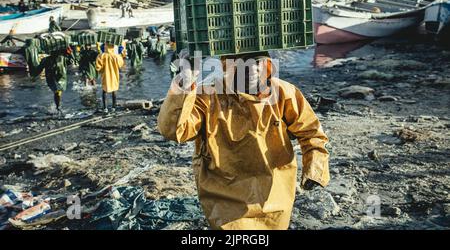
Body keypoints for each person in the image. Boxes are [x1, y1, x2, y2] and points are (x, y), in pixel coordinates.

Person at [158, 51, 330, 230]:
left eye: (257, 62)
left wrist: (315, 168)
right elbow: (173, 131)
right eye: (242, 64)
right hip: (224, 197)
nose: (252, 69)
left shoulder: (283, 93)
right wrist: (185, 80)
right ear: (228, 67)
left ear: (267, 65)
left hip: (275, 194)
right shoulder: (208, 96)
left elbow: (311, 132)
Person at [32, 48, 73, 112]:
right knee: (57, 91)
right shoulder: (46, 60)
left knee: (58, 92)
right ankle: (58, 107)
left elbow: (71, 62)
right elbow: (39, 69)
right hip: (52, 79)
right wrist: (34, 76)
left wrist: (70, 53)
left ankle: (57, 106)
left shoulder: (62, 58)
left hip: (61, 79)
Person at [96, 43, 126, 113]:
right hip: (114, 75)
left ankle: (105, 108)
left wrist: (102, 71)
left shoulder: (101, 56)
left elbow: (98, 67)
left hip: (105, 75)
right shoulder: (116, 56)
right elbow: (121, 64)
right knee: (114, 90)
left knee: (104, 91)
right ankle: (113, 107)